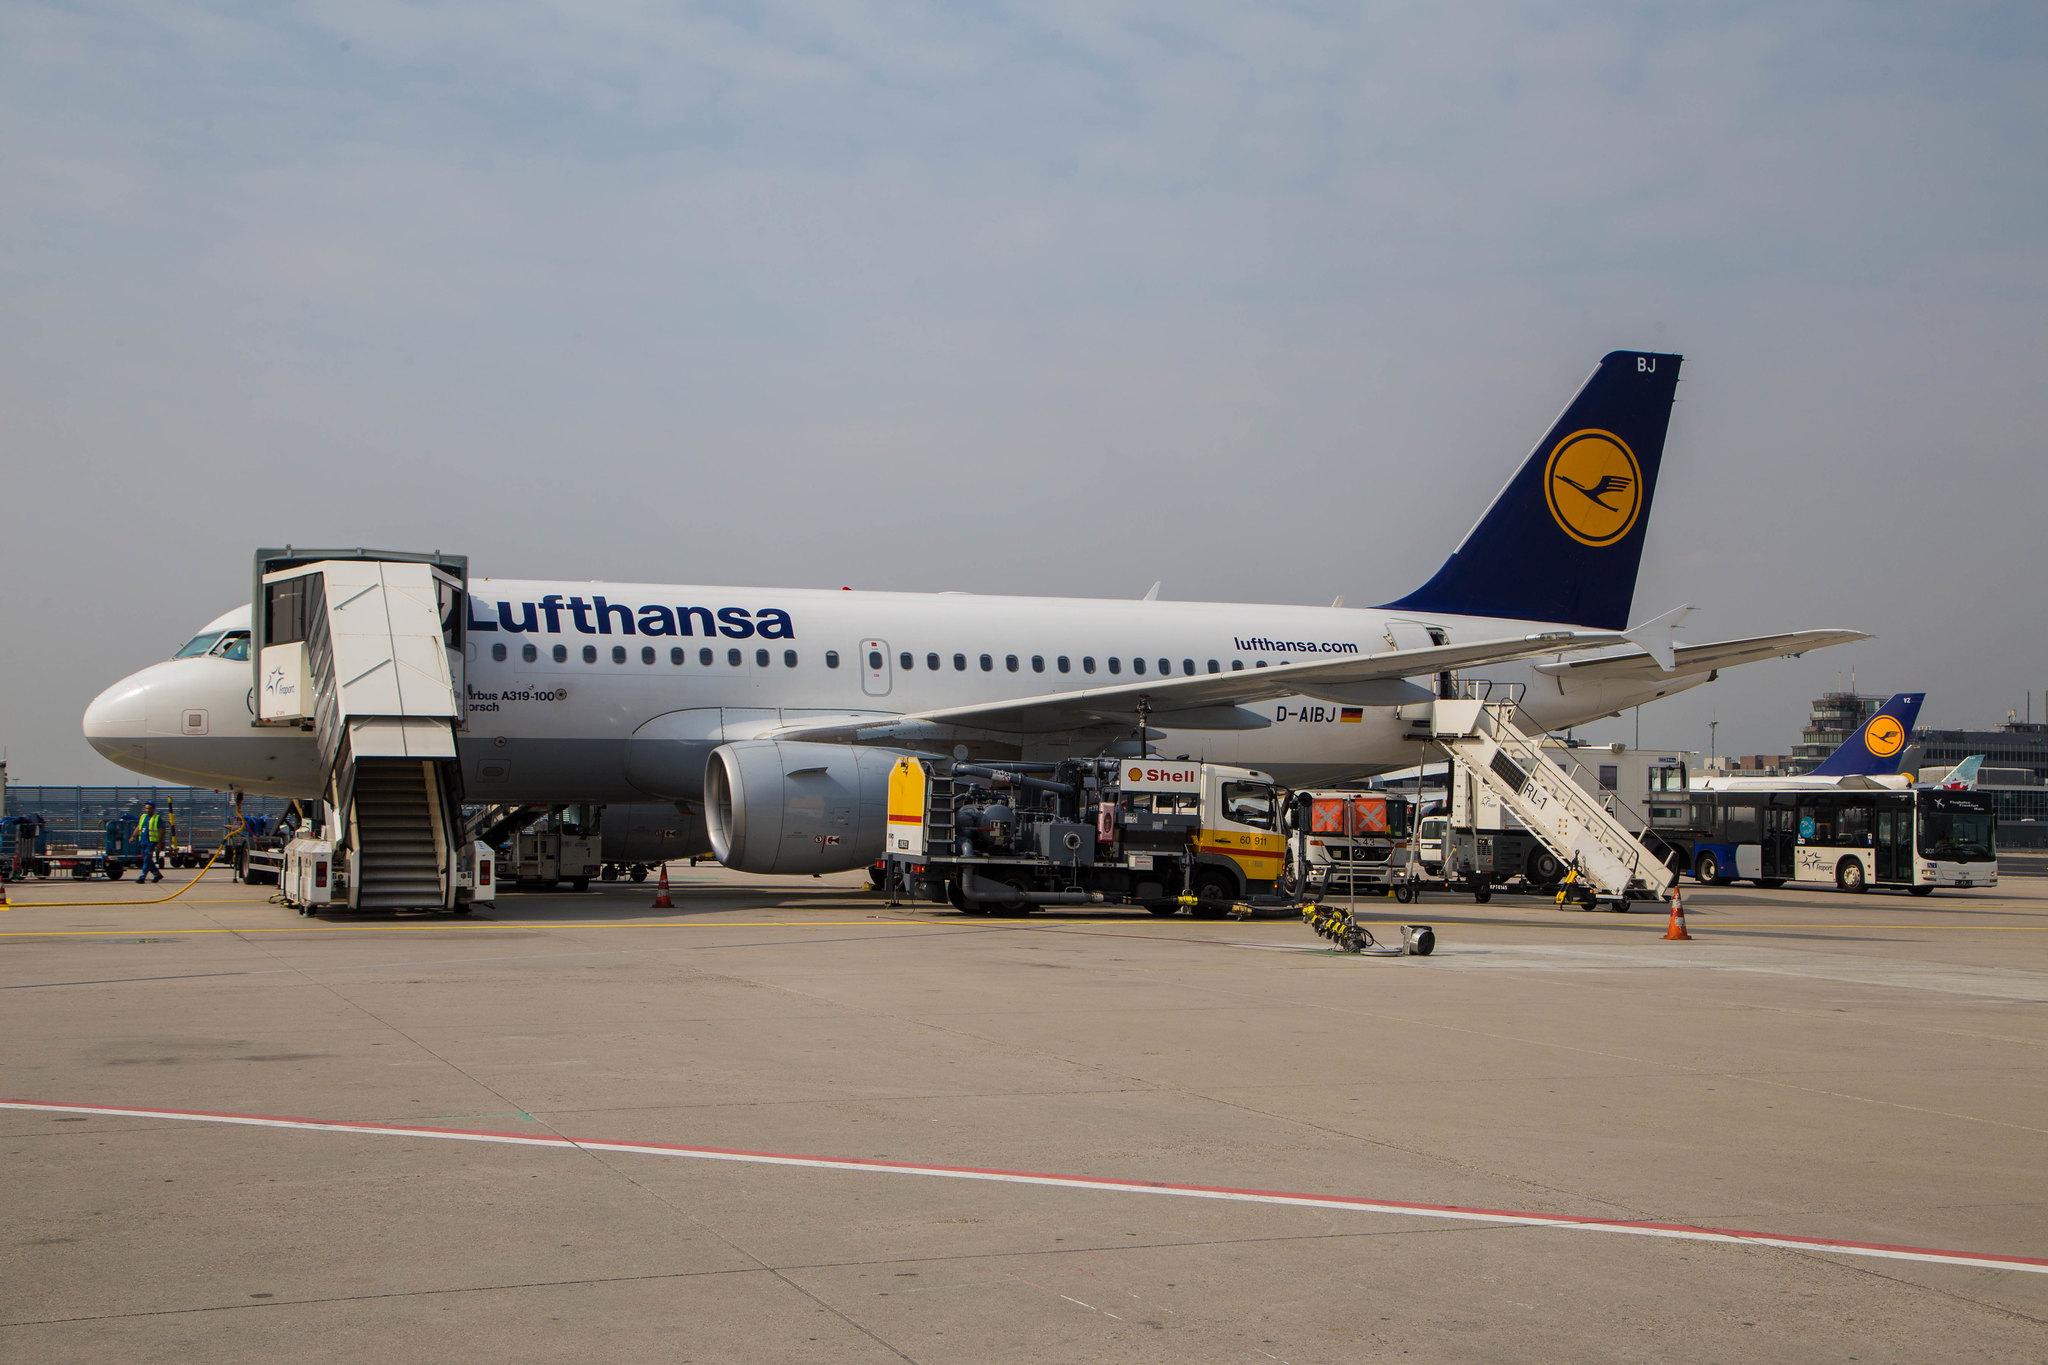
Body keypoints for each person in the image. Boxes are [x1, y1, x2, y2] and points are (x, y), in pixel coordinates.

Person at [134, 801, 166, 884]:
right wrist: (133, 836)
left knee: (147, 860)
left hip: (151, 842)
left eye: (150, 808)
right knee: (147, 860)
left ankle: (142, 877)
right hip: (143, 842)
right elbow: (139, 827)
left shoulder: (157, 818)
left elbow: (161, 831)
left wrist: (159, 843)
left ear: (153, 809)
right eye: (146, 808)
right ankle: (157, 874)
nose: (148, 810)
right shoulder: (143, 817)